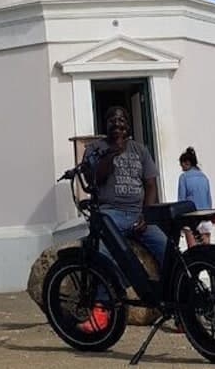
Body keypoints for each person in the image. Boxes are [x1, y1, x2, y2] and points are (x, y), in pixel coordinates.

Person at [77, 106, 167, 332]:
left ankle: (180, 307)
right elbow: (93, 180)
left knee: (166, 248)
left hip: (138, 214)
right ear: (105, 123)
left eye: (122, 120)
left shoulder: (140, 150)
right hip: (110, 212)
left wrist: (147, 214)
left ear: (128, 124)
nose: (117, 124)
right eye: (112, 119)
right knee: (102, 249)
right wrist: (113, 152)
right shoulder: (95, 149)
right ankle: (102, 306)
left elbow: (150, 185)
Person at [177, 146, 213, 248]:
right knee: (207, 250)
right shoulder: (204, 177)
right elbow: (208, 198)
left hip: (190, 218)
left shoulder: (183, 177)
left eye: (181, 165)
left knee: (193, 251)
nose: (182, 168)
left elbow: (181, 201)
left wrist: (179, 222)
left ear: (186, 163)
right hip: (206, 216)